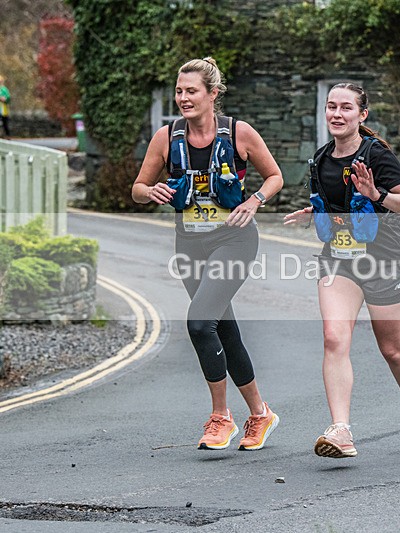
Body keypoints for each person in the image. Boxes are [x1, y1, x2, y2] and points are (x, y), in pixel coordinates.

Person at [132, 57, 283, 451]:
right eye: (179, 91)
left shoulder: (238, 133)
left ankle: (221, 417)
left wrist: (255, 201)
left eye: (191, 91)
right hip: (190, 243)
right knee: (221, 327)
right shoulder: (166, 138)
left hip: (234, 240)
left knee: (200, 323)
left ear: (212, 94)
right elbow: (138, 187)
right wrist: (150, 192)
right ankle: (260, 414)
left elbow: (275, 176)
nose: (183, 98)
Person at [283, 83, 400, 458]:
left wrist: (376, 195)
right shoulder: (320, 160)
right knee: (334, 338)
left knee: (393, 349)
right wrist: (315, 212)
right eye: (331, 106)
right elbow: (334, 206)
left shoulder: (376, 155)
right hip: (339, 259)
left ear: (361, 115)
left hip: (386, 261)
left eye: (345, 107)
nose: (336, 113)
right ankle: (341, 430)